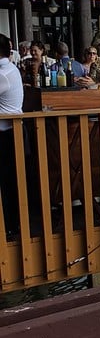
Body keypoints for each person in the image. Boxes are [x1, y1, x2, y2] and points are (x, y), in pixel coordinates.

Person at [0, 34, 24, 237]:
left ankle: (10, 226)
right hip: (11, 132)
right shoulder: (10, 69)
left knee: (7, 182)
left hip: (5, 135)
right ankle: (11, 225)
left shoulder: (3, 73)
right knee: (9, 180)